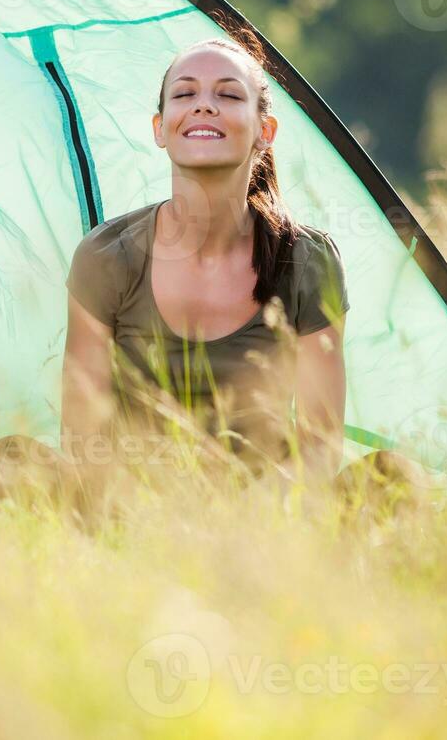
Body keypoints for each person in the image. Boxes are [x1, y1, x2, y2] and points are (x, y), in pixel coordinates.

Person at [60, 33, 350, 503]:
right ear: (160, 128)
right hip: (131, 509)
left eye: (229, 95)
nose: (204, 106)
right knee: (10, 460)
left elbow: (320, 443)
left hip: (264, 512)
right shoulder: (107, 256)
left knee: (390, 477)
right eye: (185, 93)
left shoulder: (306, 260)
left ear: (265, 131)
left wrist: (247, 518)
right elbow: (81, 435)